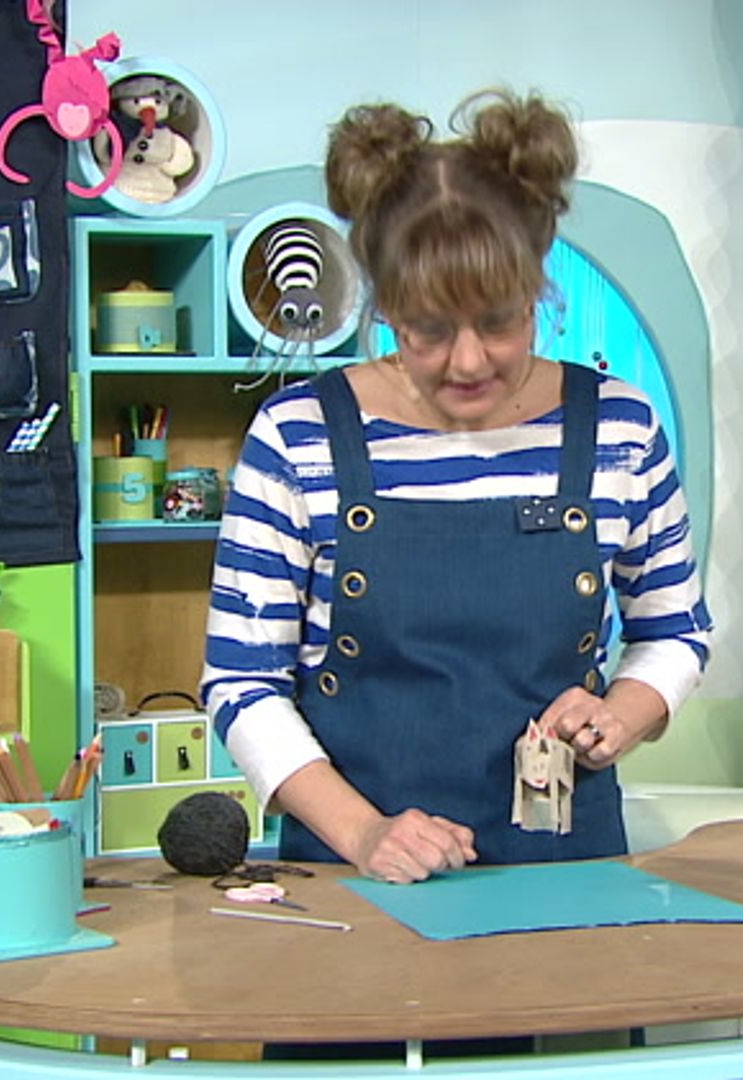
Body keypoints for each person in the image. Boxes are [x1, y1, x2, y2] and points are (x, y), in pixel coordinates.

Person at [202, 87, 712, 885]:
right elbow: (241, 683)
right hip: (359, 880)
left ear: (539, 286)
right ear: (384, 304)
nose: (468, 361)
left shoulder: (619, 428)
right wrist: (366, 834)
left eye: (501, 320)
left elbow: (676, 632)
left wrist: (620, 715)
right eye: (430, 329)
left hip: (566, 872)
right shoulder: (299, 436)